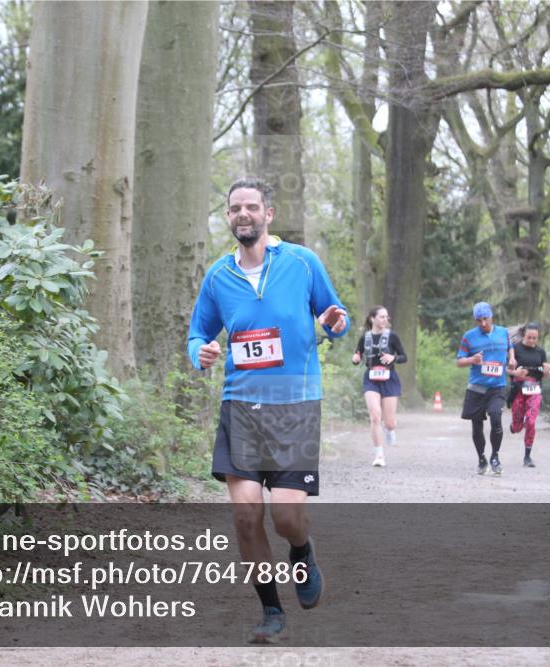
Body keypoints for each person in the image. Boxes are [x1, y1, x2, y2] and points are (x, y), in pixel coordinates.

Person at [187, 177, 350, 644]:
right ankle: (271, 612)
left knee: (286, 518)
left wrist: (337, 323)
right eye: (235, 208)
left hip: (294, 405)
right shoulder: (219, 276)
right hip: (240, 406)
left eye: (251, 207)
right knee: (244, 515)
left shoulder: (301, 262)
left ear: (268, 214)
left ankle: (301, 549)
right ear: (228, 216)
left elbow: (335, 315)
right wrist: (199, 351)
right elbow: (198, 333)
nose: (243, 214)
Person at [455, 302, 516, 475]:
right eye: (478, 320)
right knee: (477, 427)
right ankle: (481, 458)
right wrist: (472, 360)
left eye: (485, 319)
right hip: (477, 389)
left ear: (492, 317)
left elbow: (510, 348)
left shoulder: (503, 332)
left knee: (496, 417)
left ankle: (495, 457)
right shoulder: (469, 337)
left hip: (497, 387)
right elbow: (459, 361)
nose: (483, 323)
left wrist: (511, 358)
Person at [351, 306, 406, 467]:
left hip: (389, 379)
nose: (385, 320)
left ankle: (390, 429)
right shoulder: (365, 338)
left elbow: (404, 357)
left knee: (389, 422)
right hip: (371, 379)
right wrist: (354, 359)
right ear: (372, 318)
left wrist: (393, 358)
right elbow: (357, 356)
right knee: (375, 415)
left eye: (386, 317)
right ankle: (379, 455)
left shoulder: (392, 337)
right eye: (382, 317)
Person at [507, 322, 550, 467]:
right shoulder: (515, 349)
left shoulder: (541, 352)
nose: (532, 341)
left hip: (535, 390)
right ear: (523, 335)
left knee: (531, 422)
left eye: (535, 338)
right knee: (519, 427)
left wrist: (546, 372)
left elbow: (545, 375)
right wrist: (515, 372)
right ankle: (515, 425)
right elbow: (506, 369)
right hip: (519, 389)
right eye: (529, 337)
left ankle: (527, 457)